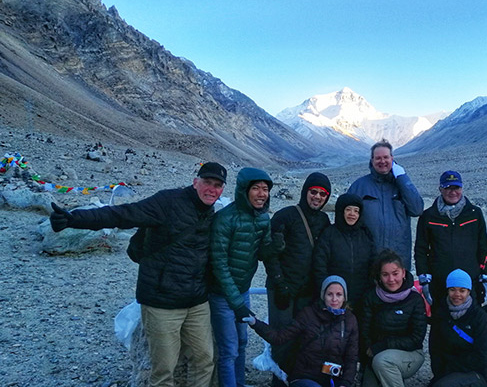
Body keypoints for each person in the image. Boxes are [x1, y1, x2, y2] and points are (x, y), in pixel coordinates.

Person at [49, 161, 228, 387]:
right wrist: (74, 219)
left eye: (218, 185)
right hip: (162, 302)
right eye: (207, 182)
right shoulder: (167, 202)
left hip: (197, 302)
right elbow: (124, 214)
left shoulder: (210, 213)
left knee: (204, 361)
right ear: (195, 182)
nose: (212, 189)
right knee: (163, 371)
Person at [209, 167, 279, 387]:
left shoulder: (263, 218)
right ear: (243, 190)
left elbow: (263, 253)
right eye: (256, 188)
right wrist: (237, 303)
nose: (261, 194)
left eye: (265, 189)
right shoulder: (225, 219)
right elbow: (218, 264)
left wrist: (276, 248)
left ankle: (238, 383)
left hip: (242, 290)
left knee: (242, 342)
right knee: (229, 348)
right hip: (221, 294)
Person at [265, 172, 332, 385]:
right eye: (314, 192)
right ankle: (278, 382)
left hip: (307, 292)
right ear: (305, 192)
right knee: (281, 340)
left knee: (304, 339)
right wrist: (279, 282)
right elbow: (270, 254)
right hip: (282, 290)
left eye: (323, 194)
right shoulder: (285, 216)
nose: (318, 197)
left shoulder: (323, 220)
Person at [242, 275, 359, 387]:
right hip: (305, 376)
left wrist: (345, 383)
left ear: (344, 298)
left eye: (339, 294)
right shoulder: (308, 314)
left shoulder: (350, 320)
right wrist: (255, 323)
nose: (334, 299)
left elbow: (351, 358)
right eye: (330, 294)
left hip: (333, 378)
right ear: (323, 295)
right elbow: (280, 337)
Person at [414, 170, 487, 308]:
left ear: (462, 188)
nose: (452, 192)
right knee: (441, 324)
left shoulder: (474, 213)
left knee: (472, 324)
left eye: (456, 188)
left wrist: (485, 275)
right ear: (440, 189)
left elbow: (484, 245)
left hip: (470, 281)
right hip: (440, 282)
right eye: (448, 188)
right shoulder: (428, 216)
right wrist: (424, 279)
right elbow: (421, 249)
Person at [347, 139, 423, 270]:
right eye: (378, 158)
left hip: (398, 262)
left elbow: (417, 209)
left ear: (392, 159)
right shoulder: (359, 186)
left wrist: (403, 178)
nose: (382, 161)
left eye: (386, 157)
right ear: (372, 160)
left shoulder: (402, 185)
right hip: (368, 260)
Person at [361, 250, 427, 387]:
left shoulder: (415, 299)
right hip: (376, 354)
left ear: (403, 273)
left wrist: (383, 345)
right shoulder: (371, 297)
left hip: (409, 354)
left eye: (395, 273)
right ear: (379, 276)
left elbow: (416, 338)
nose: (391, 280)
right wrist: (368, 349)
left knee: (383, 362)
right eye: (385, 275)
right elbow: (365, 330)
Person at [428, 269, 487, 387]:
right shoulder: (441, 313)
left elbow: (481, 355)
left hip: (476, 371)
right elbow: (434, 347)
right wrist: (439, 371)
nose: (457, 294)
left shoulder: (479, 317)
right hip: (446, 371)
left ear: (469, 291)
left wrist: (450, 369)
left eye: (462, 290)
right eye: (452, 289)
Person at [313, 193, 377, 310]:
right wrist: (326, 292)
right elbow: (320, 265)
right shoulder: (329, 234)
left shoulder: (365, 235)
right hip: (335, 299)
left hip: (362, 298)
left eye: (356, 211)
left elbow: (373, 264)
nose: (352, 214)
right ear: (341, 211)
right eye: (348, 210)